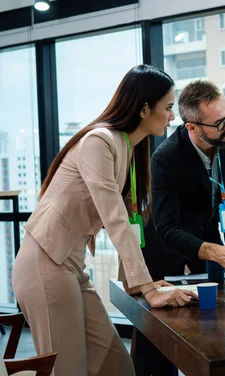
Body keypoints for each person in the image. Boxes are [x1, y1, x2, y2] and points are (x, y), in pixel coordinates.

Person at [12, 65, 197, 376]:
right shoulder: (99, 141)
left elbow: (130, 222)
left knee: (118, 366)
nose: (172, 117)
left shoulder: (128, 149)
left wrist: (140, 285)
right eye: (167, 108)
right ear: (143, 109)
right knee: (69, 370)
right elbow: (115, 221)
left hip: (72, 267)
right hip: (45, 265)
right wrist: (148, 289)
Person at [150, 80, 225, 279]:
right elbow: (168, 229)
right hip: (171, 256)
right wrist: (217, 253)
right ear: (192, 127)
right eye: (219, 123)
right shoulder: (166, 158)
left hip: (211, 246)